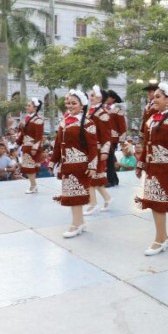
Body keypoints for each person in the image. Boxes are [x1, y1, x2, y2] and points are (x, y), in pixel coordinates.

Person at [135, 83, 168, 255]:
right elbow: (147, 144)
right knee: (153, 202)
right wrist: (140, 164)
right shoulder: (151, 119)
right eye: (154, 96)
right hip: (152, 167)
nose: (154, 99)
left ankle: (159, 239)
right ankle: (162, 236)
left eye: (158, 97)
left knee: (159, 203)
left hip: (166, 168)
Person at [50, 89, 101, 237]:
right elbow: (58, 144)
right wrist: (53, 161)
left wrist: (92, 165)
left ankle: (76, 224)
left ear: (82, 105)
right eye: (68, 103)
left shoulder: (87, 122)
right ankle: (80, 222)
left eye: (74, 103)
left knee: (76, 196)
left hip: (80, 165)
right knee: (71, 194)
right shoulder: (64, 121)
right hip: (67, 165)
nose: (70, 106)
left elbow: (92, 146)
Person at [83, 86, 114, 215]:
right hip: (89, 148)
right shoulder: (91, 111)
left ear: (100, 98)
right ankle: (107, 198)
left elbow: (106, 135)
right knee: (94, 178)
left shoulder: (102, 114)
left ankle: (92, 204)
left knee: (90, 177)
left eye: (93, 95)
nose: (90, 97)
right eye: (90, 95)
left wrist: (105, 151)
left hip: (98, 149)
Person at [16, 98, 47, 194]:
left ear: (35, 108)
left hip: (33, 146)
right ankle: (33, 185)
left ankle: (33, 185)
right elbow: (22, 133)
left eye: (29, 106)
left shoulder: (38, 120)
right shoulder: (26, 119)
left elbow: (39, 136)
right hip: (26, 145)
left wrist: (35, 147)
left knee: (30, 167)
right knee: (27, 167)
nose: (27, 107)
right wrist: (18, 141)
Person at [105, 90, 127, 187]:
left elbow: (122, 125)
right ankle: (114, 179)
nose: (105, 99)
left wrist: (122, 140)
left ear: (113, 98)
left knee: (109, 159)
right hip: (105, 137)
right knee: (110, 158)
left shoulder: (118, 109)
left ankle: (110, 180)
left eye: (108, 97)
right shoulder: (104, 109)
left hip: (113, 137)